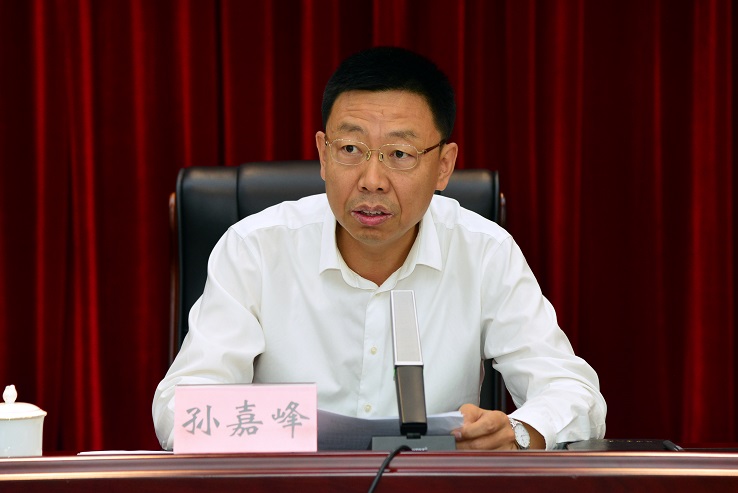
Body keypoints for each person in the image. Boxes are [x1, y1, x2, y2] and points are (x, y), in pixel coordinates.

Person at [152, 46, 606, 451]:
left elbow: (573, 392)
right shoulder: (254, 249)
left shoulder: (484, 252)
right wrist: (284, 432)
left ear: (444, 166)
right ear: (323, 154)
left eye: (400, 154)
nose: (372, 180)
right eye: (351, 148)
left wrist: (518, 432)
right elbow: (180, 409)